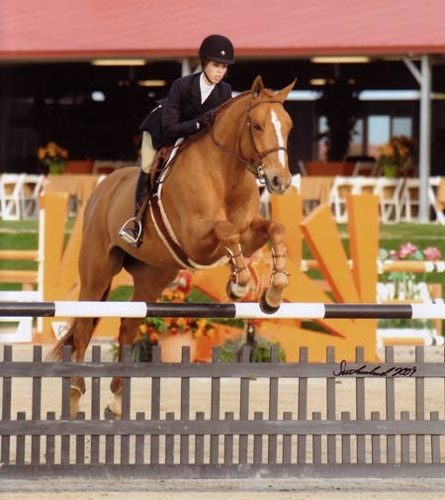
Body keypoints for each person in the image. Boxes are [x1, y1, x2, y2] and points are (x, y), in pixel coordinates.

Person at [119, 34, 235, 245]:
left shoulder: (225, 91)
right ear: (204, 62)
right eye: (216, 65)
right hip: (161, 131)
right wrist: (199, 123)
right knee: (147, 166)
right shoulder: (181, 86)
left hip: (194, 137)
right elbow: (170, 128)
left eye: (224, 67)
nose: (220, 71)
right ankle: (136, 222)